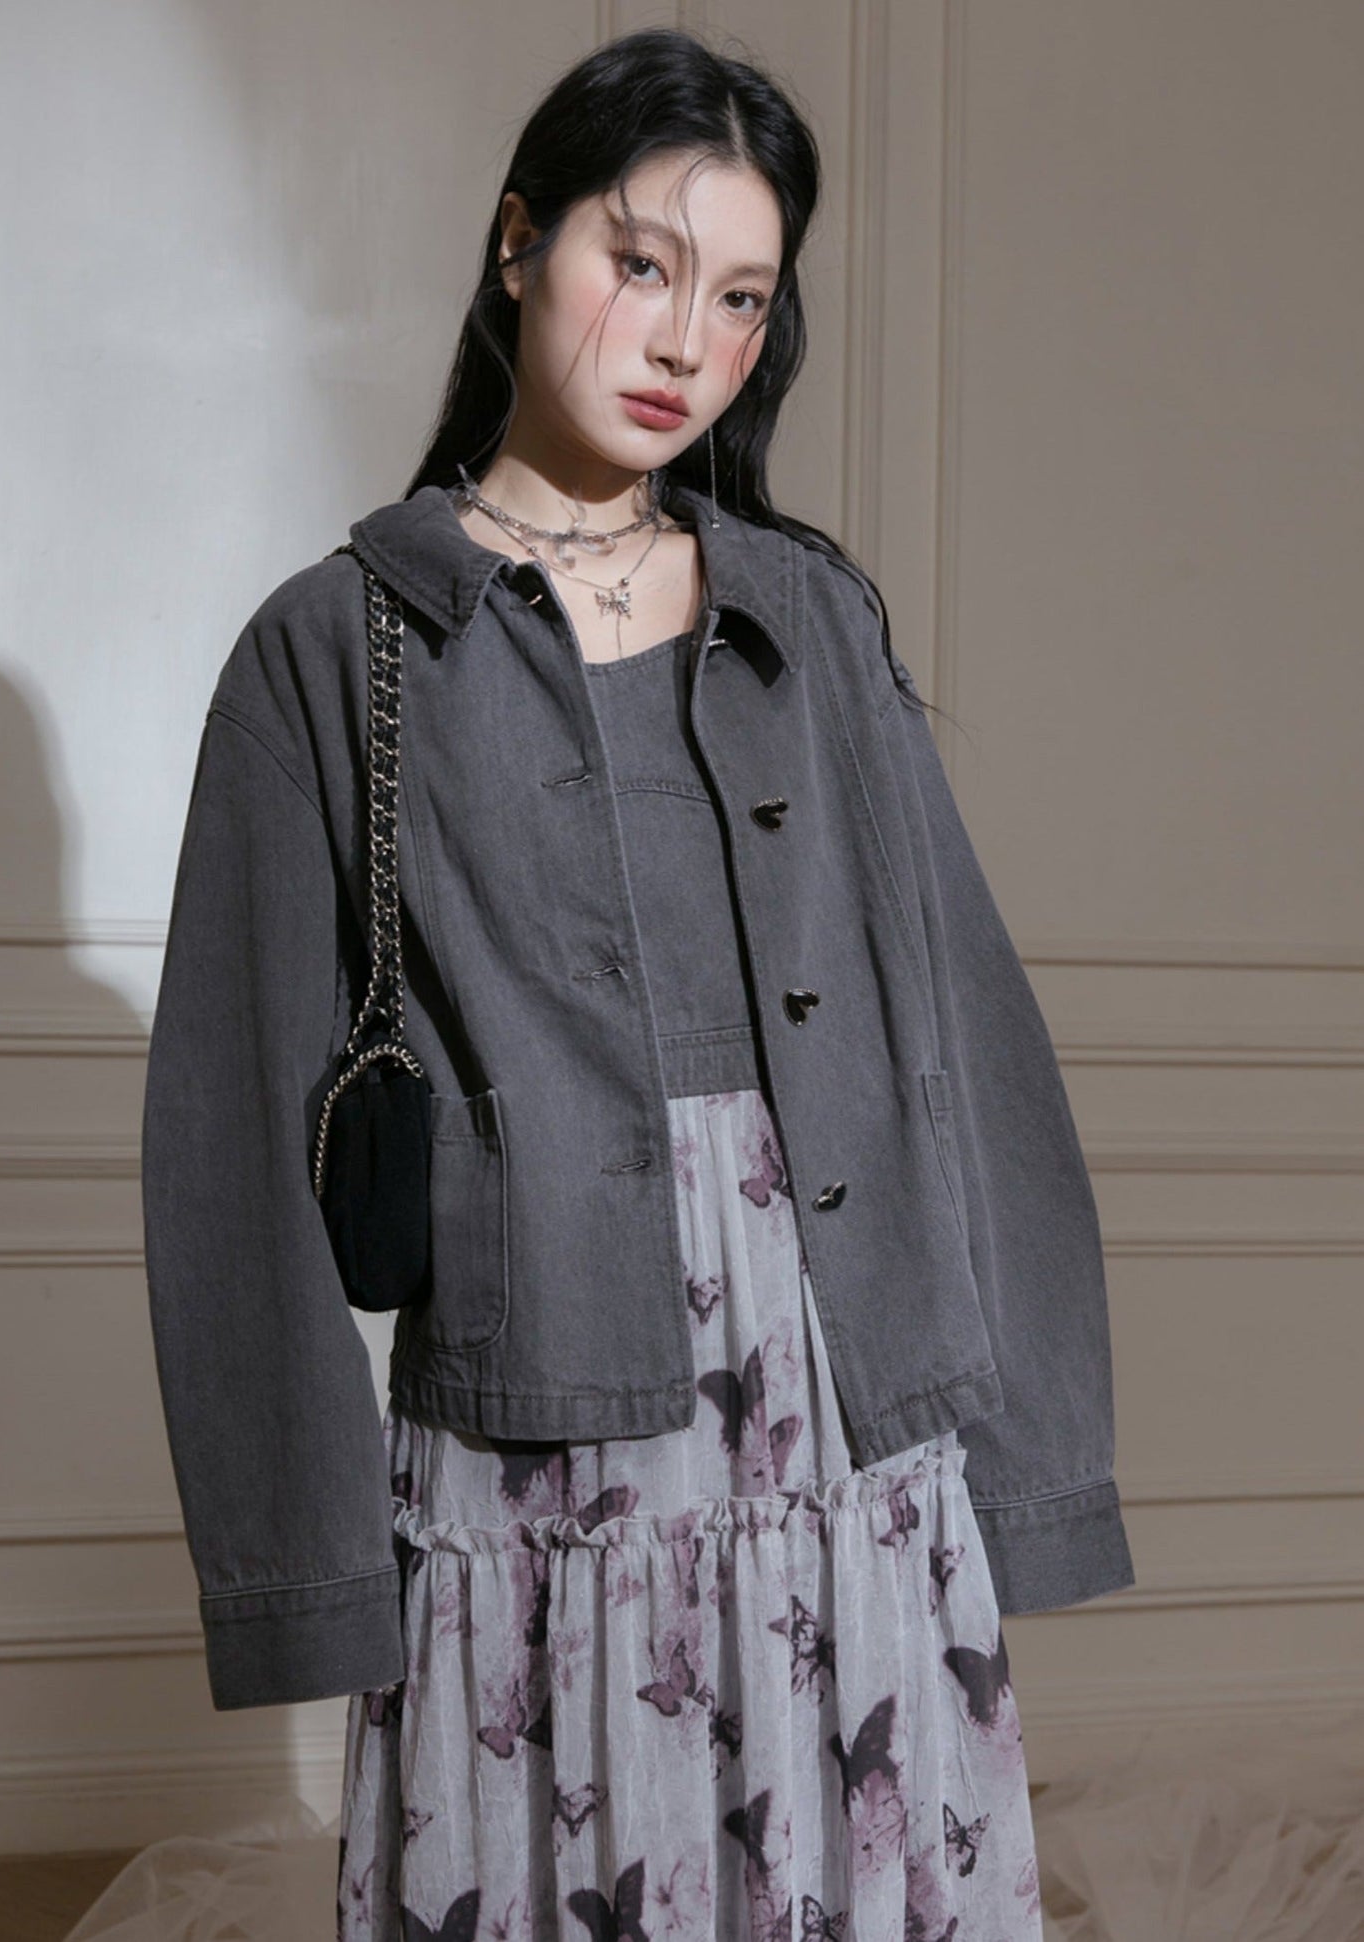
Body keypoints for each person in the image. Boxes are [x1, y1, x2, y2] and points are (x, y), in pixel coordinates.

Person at [138, 25, 1134, 1942]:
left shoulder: (807, 620)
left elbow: (962, 1038)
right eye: (642, 261)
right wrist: (301, 1577)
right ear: (520, 242)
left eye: (742, 295)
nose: (688, 339)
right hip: (535, 1422)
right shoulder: (335, 647)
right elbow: (227, 1147)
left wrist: (1035, 1469)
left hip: (844, 1399)